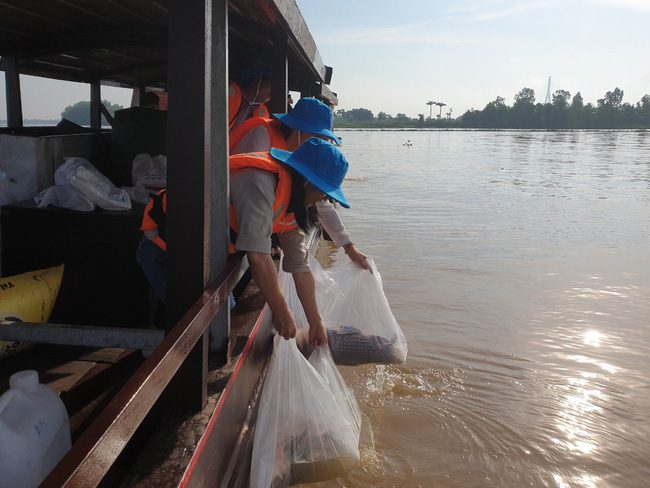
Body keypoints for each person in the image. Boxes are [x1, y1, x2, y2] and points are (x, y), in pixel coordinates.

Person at [230, 138, 351, 344]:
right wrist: (281, 310)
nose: (324, 199)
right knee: (218, 322)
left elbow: (300, 266)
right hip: (173, 242)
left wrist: (315, 322)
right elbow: (258, 256)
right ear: (306, 180)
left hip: (220, 246)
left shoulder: (292, 200)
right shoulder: (259, 182)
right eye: (324, 191)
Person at [229, 97, 370, 271]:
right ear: (298, 129)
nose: (321, 142)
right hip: (231, 229)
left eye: (324, 138)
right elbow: (255, 193)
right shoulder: (262, 136)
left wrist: (349, 247)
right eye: (317, 135)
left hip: (252, 235)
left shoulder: (302, 159)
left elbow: (320, 200)